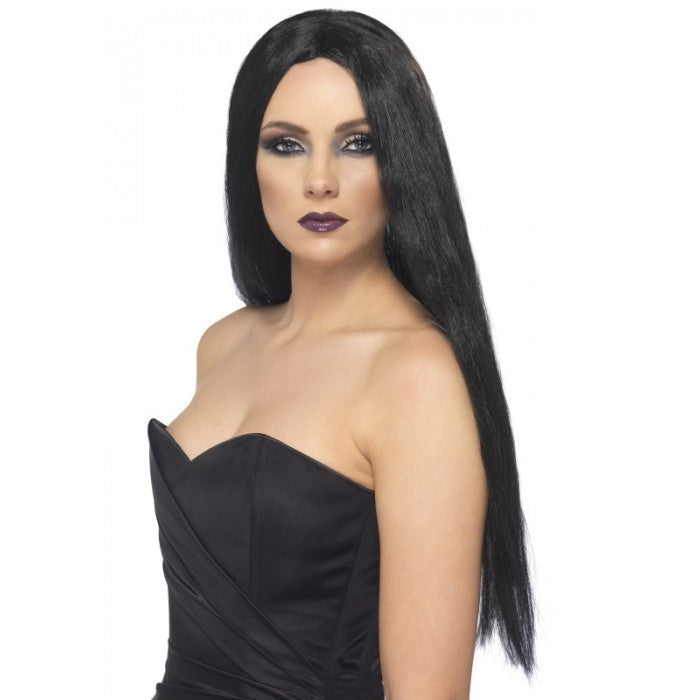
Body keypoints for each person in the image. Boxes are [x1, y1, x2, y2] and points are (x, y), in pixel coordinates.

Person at [148, 9, 536, 699]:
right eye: (286, 145)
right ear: (248, 161)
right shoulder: (224, 343)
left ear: (404, 159)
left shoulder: (415, 377)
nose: (320, 180)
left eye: (358, 144)